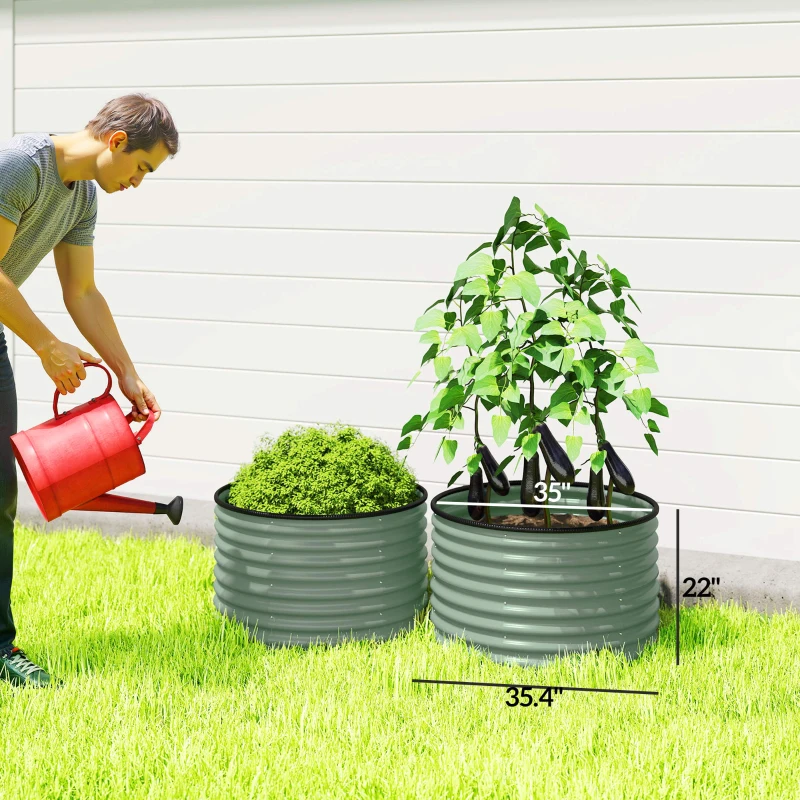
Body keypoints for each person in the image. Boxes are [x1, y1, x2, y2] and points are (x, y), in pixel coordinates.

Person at [0, 93, 179, 687]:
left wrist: (125, 370)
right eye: (142, 168)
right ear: (116, 142)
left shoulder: (82, 197)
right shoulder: (21, 167)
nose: (138, 182)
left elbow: (82, 292)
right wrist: (46, 345)